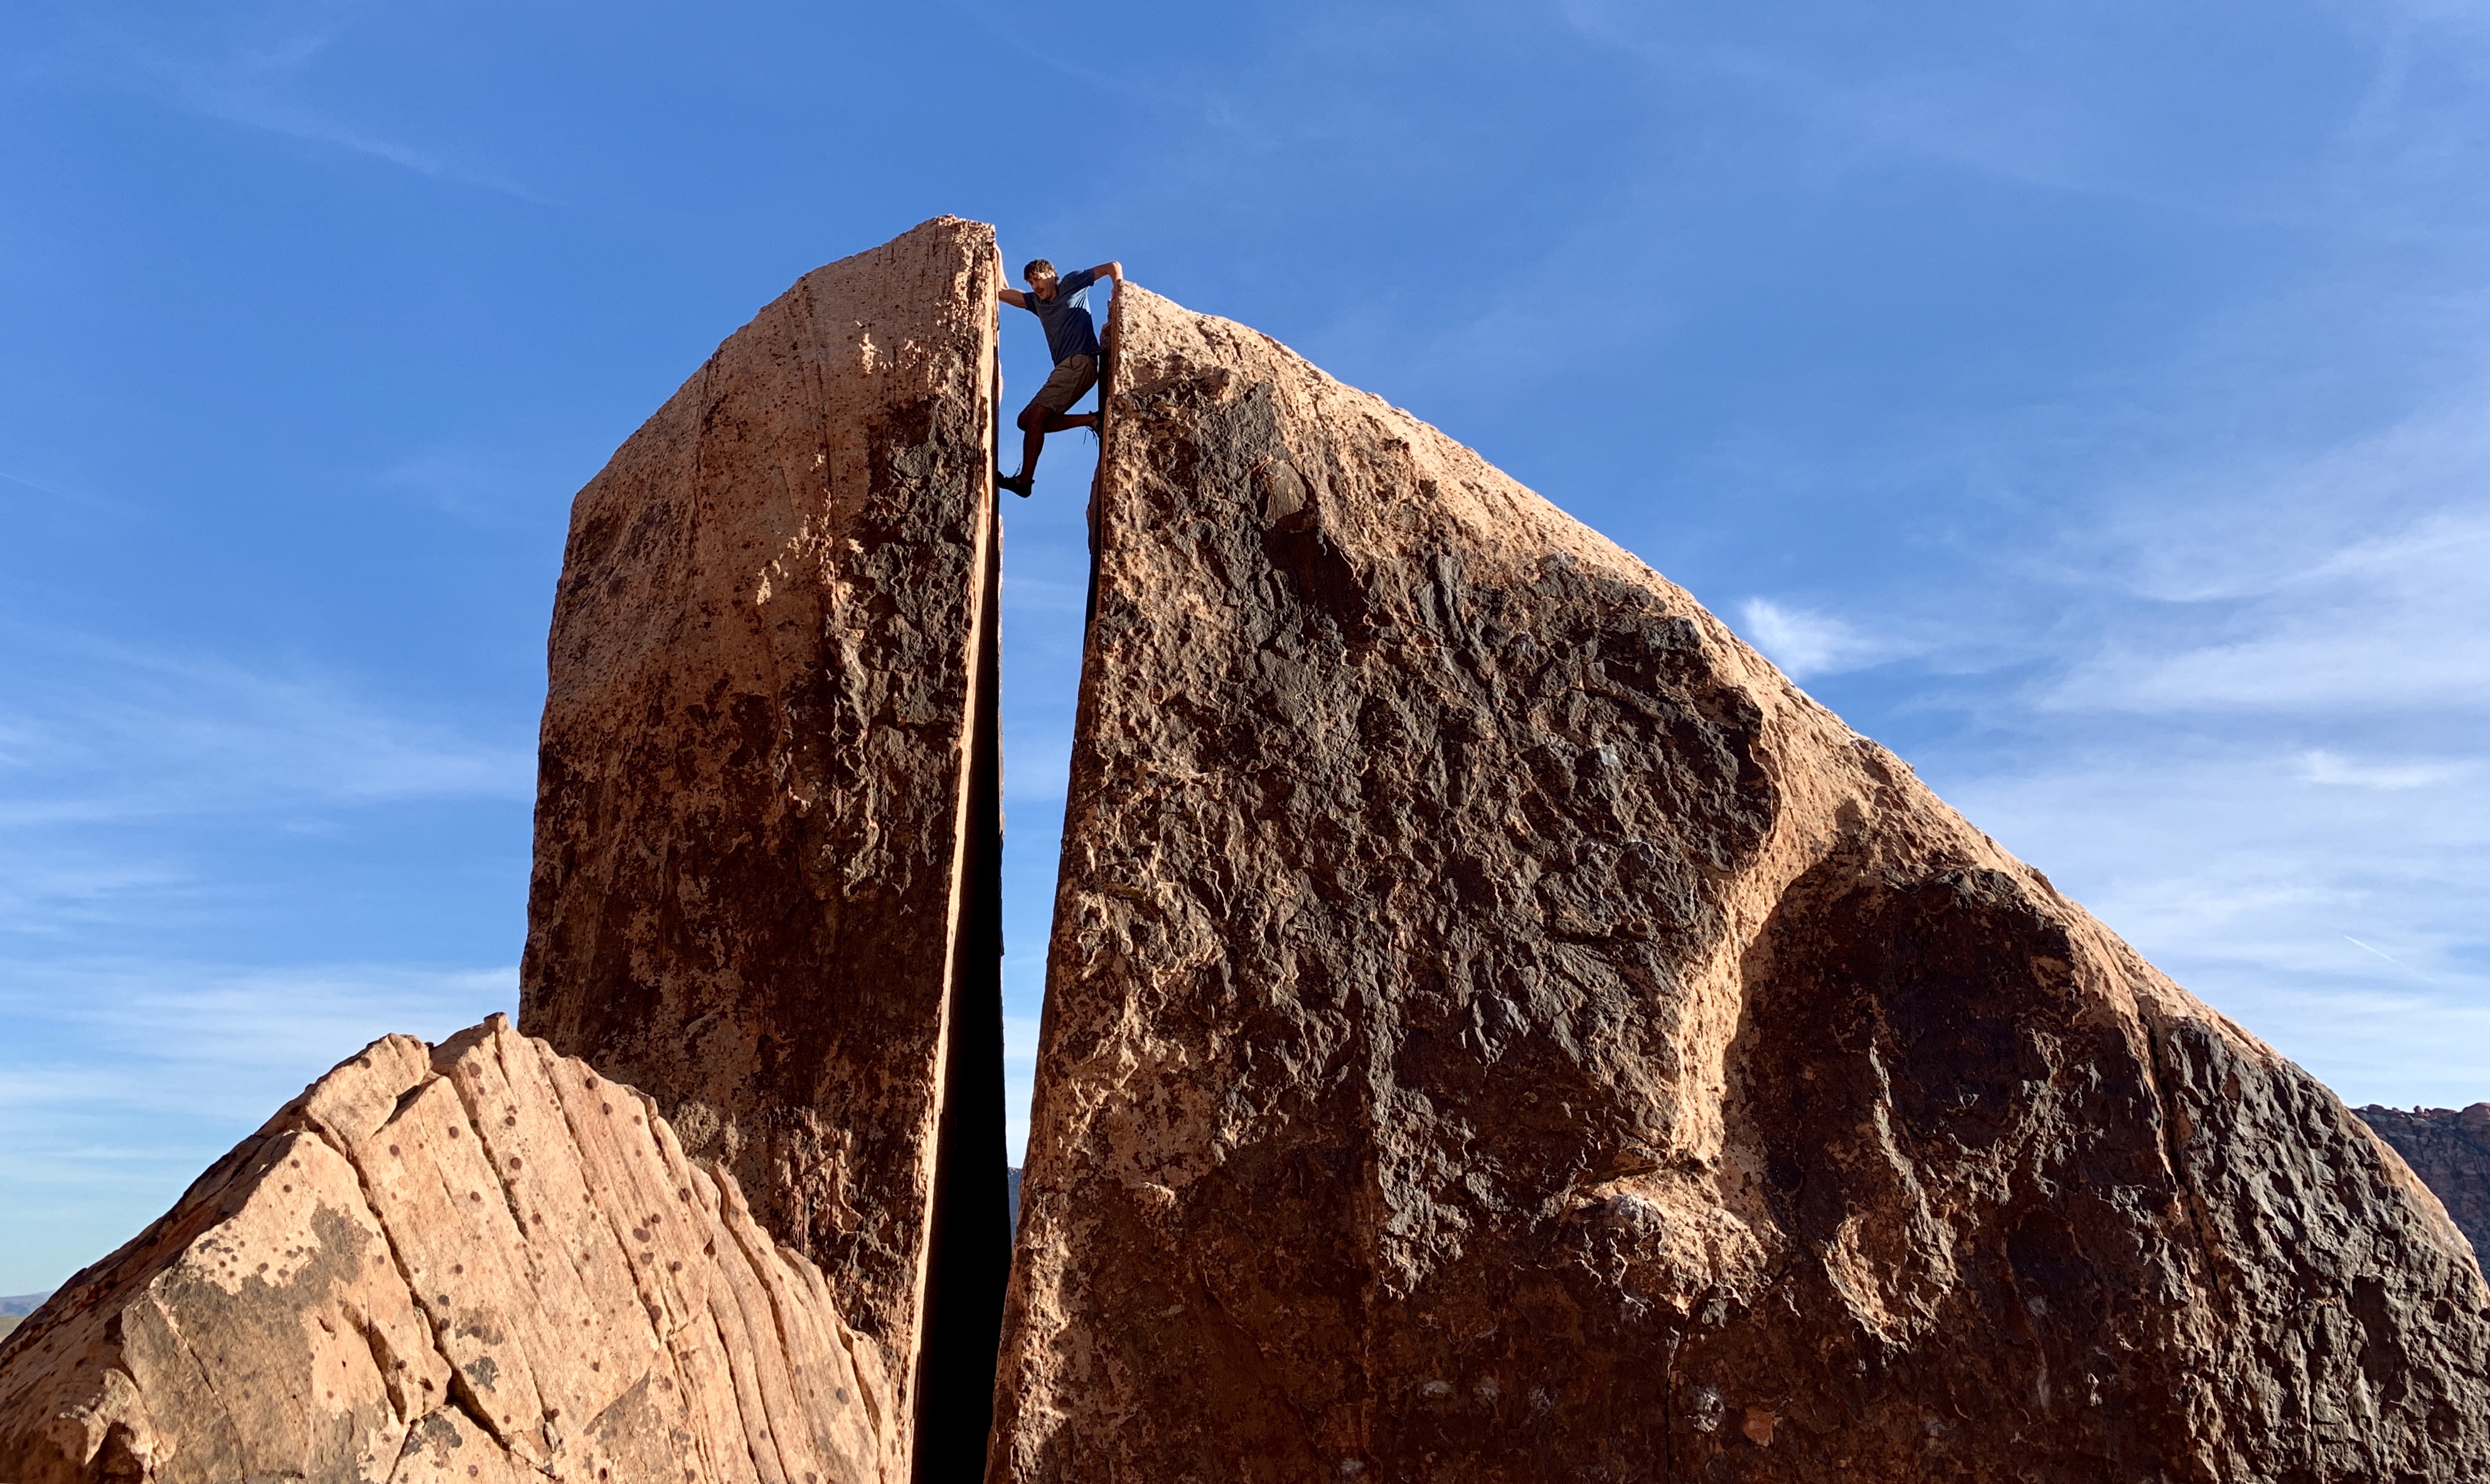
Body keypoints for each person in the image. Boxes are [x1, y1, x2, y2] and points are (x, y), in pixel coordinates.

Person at [996, 257, 1121, 496]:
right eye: (1031, 282)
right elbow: (1002, 292)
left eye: (1038, 279)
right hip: (1066, 369)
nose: (1035, 286)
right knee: (1025, 421)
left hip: (1079, 362)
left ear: (1052, 275)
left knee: (1034, 419)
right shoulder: (1037, 302)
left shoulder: (1072, 284)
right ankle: (1092, 420)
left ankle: (1024, 482)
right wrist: (997, 257)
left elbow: (1111, 267)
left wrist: (1119, 289)